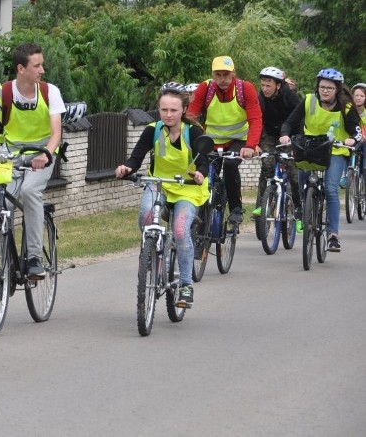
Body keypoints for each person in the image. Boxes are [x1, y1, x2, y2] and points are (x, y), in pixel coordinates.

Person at [0, 42, 66, 279]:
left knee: (30, 191)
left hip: (42, 153)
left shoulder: (50, 92)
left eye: (42, 65)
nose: (42, 70)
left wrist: (45, 154)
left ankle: (33, 258)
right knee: (2, 205)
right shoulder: (3, 92)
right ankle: (5, 264)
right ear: (21, 68)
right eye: (37, 65)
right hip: (10, 155)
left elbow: (56, 133)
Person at [115, 82, 209, 307]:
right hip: (159, 184)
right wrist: (127, 168)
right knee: (145, 216)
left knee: (179, 229)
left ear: (183, 110)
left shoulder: (193, 132)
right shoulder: (153, 130)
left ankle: (186, 284)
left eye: (173, 110)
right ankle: (152, 252)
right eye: (164, 109)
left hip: (188, 187)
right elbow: (136, 158)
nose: (168, 114)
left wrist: (200, 174)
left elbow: (204, 161)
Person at [279, 68, 359, 251]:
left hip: (336, 150)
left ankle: (332, 234)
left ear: (337, 90)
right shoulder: (309, 101)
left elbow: (356, 130)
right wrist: (284, 134)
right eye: (322, 87)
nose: (325, 91)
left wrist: (352, 139)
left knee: (331, 189)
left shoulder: (346, 106)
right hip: (311, 148)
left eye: (329, 88)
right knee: (302, 174)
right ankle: (301, 207)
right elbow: (290, 122)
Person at [186, 55, 261, 223]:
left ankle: (236, 209)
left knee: (230, 165)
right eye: (218, 75)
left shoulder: (245, 88)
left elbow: (255, 119)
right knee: (204, 171)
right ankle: (198, 208)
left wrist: (250, 145)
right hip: (212, 141)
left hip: (239, 140)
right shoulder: (205, 88)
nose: (222, 79)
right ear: (213, 75)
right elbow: (190, 116)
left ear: (233, 73)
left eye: (226, 75)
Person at [253, 67, 301, 222]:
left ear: (278, 85)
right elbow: (258, 121)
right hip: (271, 136)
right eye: (263, 85)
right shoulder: (261, 98)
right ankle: (262, 205)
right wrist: (256, 143)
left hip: (291, 137)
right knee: (267, 165)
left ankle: (298, 210)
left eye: (269, 85)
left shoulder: (290, 96)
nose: (265, 89)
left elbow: (301, 118)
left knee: (294, 176)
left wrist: (298, 143)